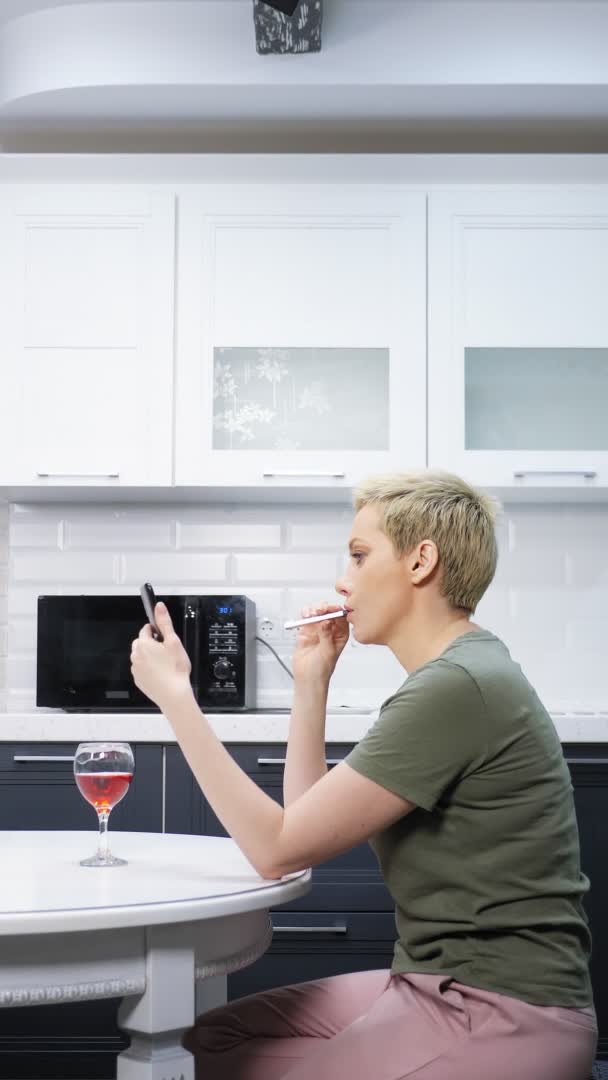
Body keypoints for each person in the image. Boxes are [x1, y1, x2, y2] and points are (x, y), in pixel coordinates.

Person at [130, 469, 598, 1080]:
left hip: (499, 1007)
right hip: (432, 984)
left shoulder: (456, 687)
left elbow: (274, 851)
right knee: (215, 1040)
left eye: (358, 555)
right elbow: (302, 833)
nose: (341, 579)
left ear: (420, 561)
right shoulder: (457, 672)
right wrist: (312, 679)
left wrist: (177, 701)